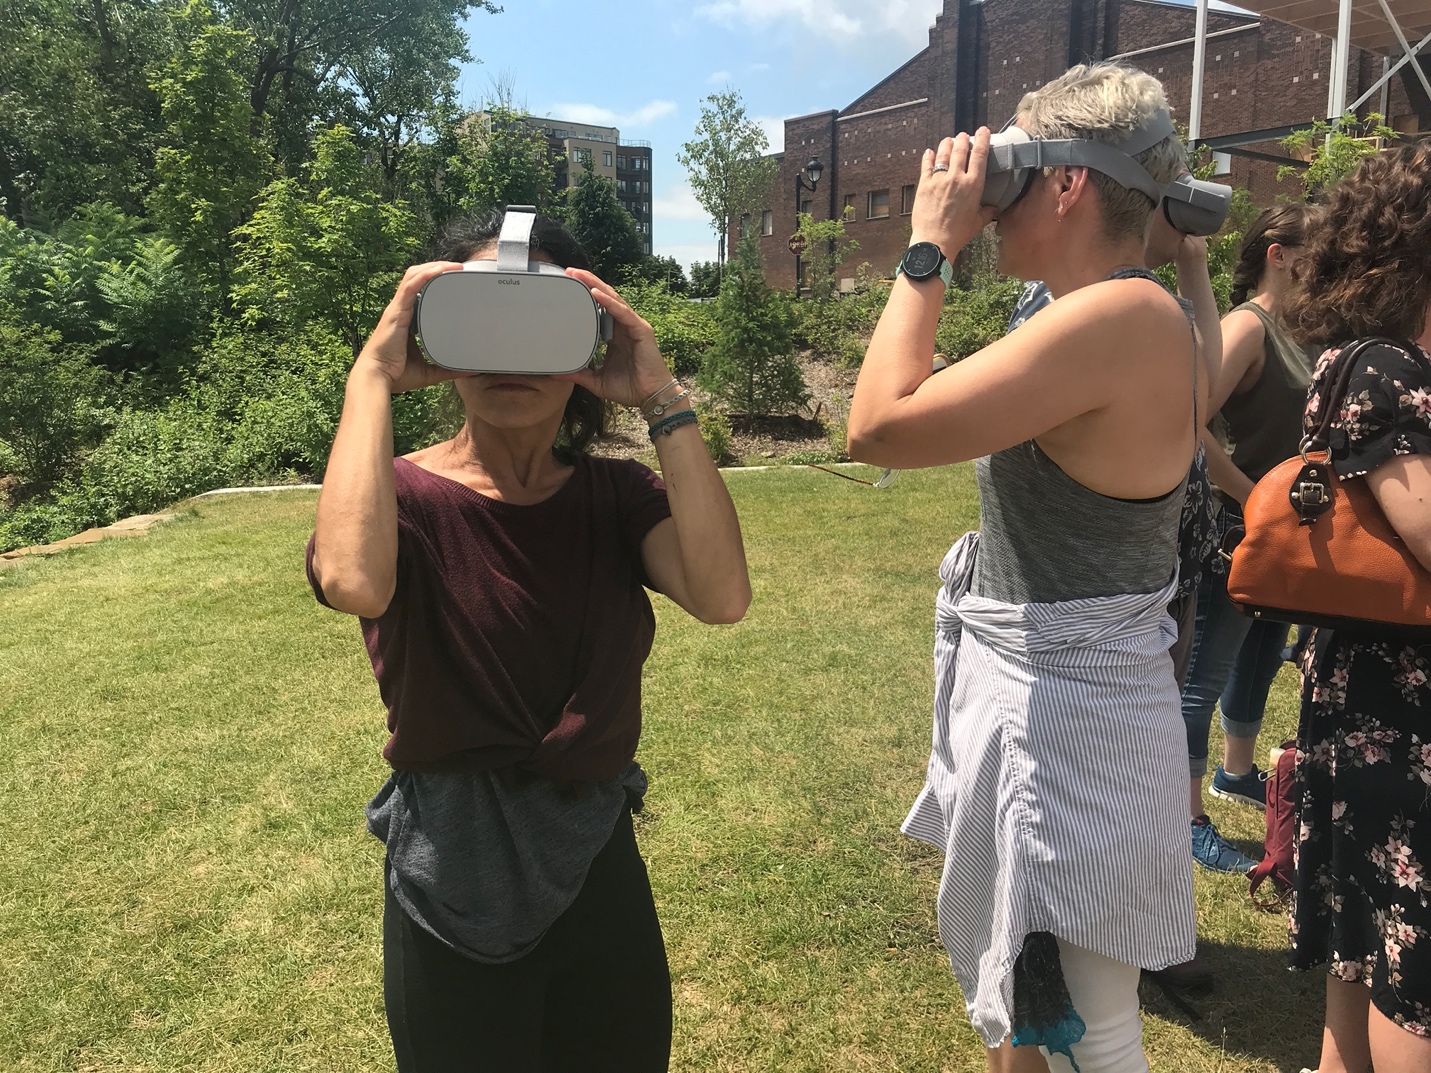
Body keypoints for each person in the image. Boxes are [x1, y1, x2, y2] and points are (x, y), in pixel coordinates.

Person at [305, 210, 751, 1072]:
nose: (510, 360)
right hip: (452, 868)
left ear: (583, 343)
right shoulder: (401, 498)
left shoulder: (617, 498)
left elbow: (721, 594)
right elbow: (355, 580)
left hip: (594, 855)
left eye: (538, 327)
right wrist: (370, 376)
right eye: (483, 324)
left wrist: (662, 396)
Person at [847, 63, 1205, 1073]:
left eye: (1010, 170)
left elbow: (877, 422)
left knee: (1096, 1029)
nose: (987, 200)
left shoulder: (1117, 321)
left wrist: (929, 246)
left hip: (1069, 719)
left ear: (1067, 184)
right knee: (1029, 1005)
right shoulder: (1115, 313)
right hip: (1066, 703)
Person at [1278, 145, 1431, 1073]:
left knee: (1363, 937)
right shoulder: (1389, 368)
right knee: (1409, 960)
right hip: (1401, 704)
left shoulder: (1354, 360)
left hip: (1362, 687)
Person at [1180, 204, 1320, 875]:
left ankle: (1233, 773)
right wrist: (1247, 493)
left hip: (1280, 529)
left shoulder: (1303, 330)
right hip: (1231, 526)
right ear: (1277, 252)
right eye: (1314, 246)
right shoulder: (1246, 326)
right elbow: (1190, 418)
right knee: (1200, 672)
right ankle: (1182, 819)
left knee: (1259, 654)